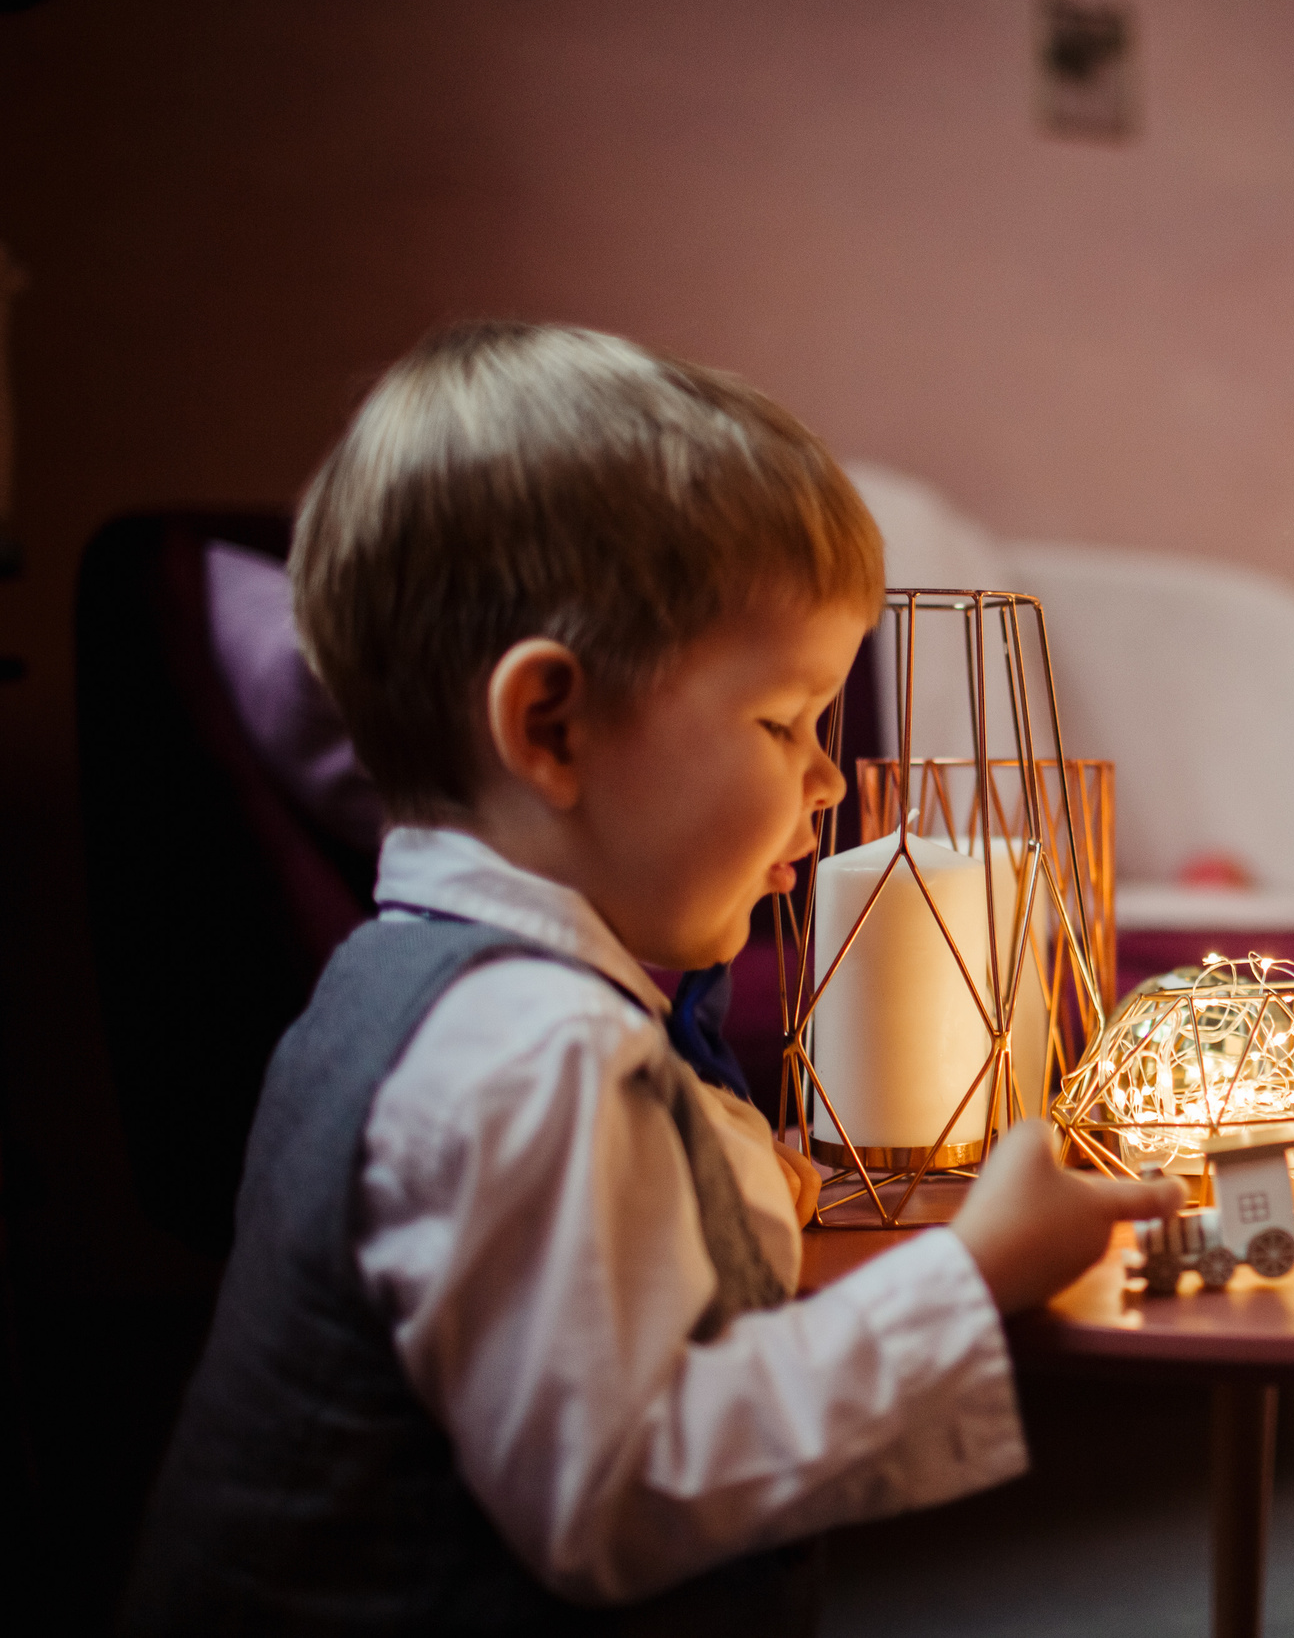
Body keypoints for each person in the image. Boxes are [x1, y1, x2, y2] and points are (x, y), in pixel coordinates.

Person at [121, 322, 1181, 1634]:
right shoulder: (534, 1055)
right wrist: (974, 1269)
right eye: (784, 720)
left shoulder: (402, 986)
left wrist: (755, 1181)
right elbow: (625, 1486)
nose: (829, 776)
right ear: (550, 727)